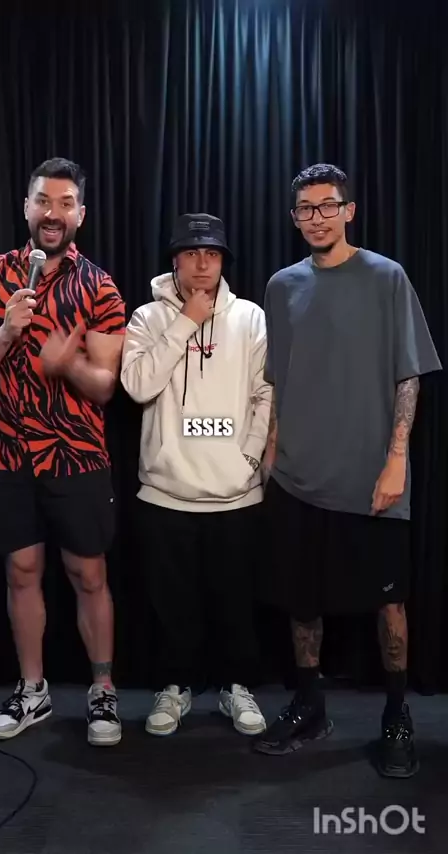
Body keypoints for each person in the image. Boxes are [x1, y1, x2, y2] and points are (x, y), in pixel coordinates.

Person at [253, 163, 442, 777]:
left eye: (328, 206)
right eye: (306, 209)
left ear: (349, 211)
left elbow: (408, 373)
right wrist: (271, 450)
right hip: (297, 475)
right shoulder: (281, 286)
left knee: (390, 604)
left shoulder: (387, 277)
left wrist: (397, 458)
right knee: (301, 602)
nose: (318, 218)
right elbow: (278, 378)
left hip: (370, 476)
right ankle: (311, 707)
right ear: (294, 218)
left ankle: (396, 715)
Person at [0, 157, 126, 746]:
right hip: (7, 455)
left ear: (80, 214)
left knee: (88, 573)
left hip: (77, 456)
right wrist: (6, 332)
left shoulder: (101, 287)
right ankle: (32, 690)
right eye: (43, 201)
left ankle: (102, 690)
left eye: (64, 203)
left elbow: (106, 386)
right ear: (26, 207)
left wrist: (69, 366)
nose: (52, 213)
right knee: (21, 570)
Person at [121, 213, 271, 737]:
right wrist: (185, 320)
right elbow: (138, 386)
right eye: (191, 253)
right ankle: (174, 687)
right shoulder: (146, 318)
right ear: (174, 260)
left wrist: (248, 459)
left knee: (235, 602)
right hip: (166, 490)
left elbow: (265, 393)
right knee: (171, 605)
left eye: (212, 253)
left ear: (224, 260)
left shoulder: (250, 317)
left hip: (235, 493)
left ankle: (236, 686)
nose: (202, 263)